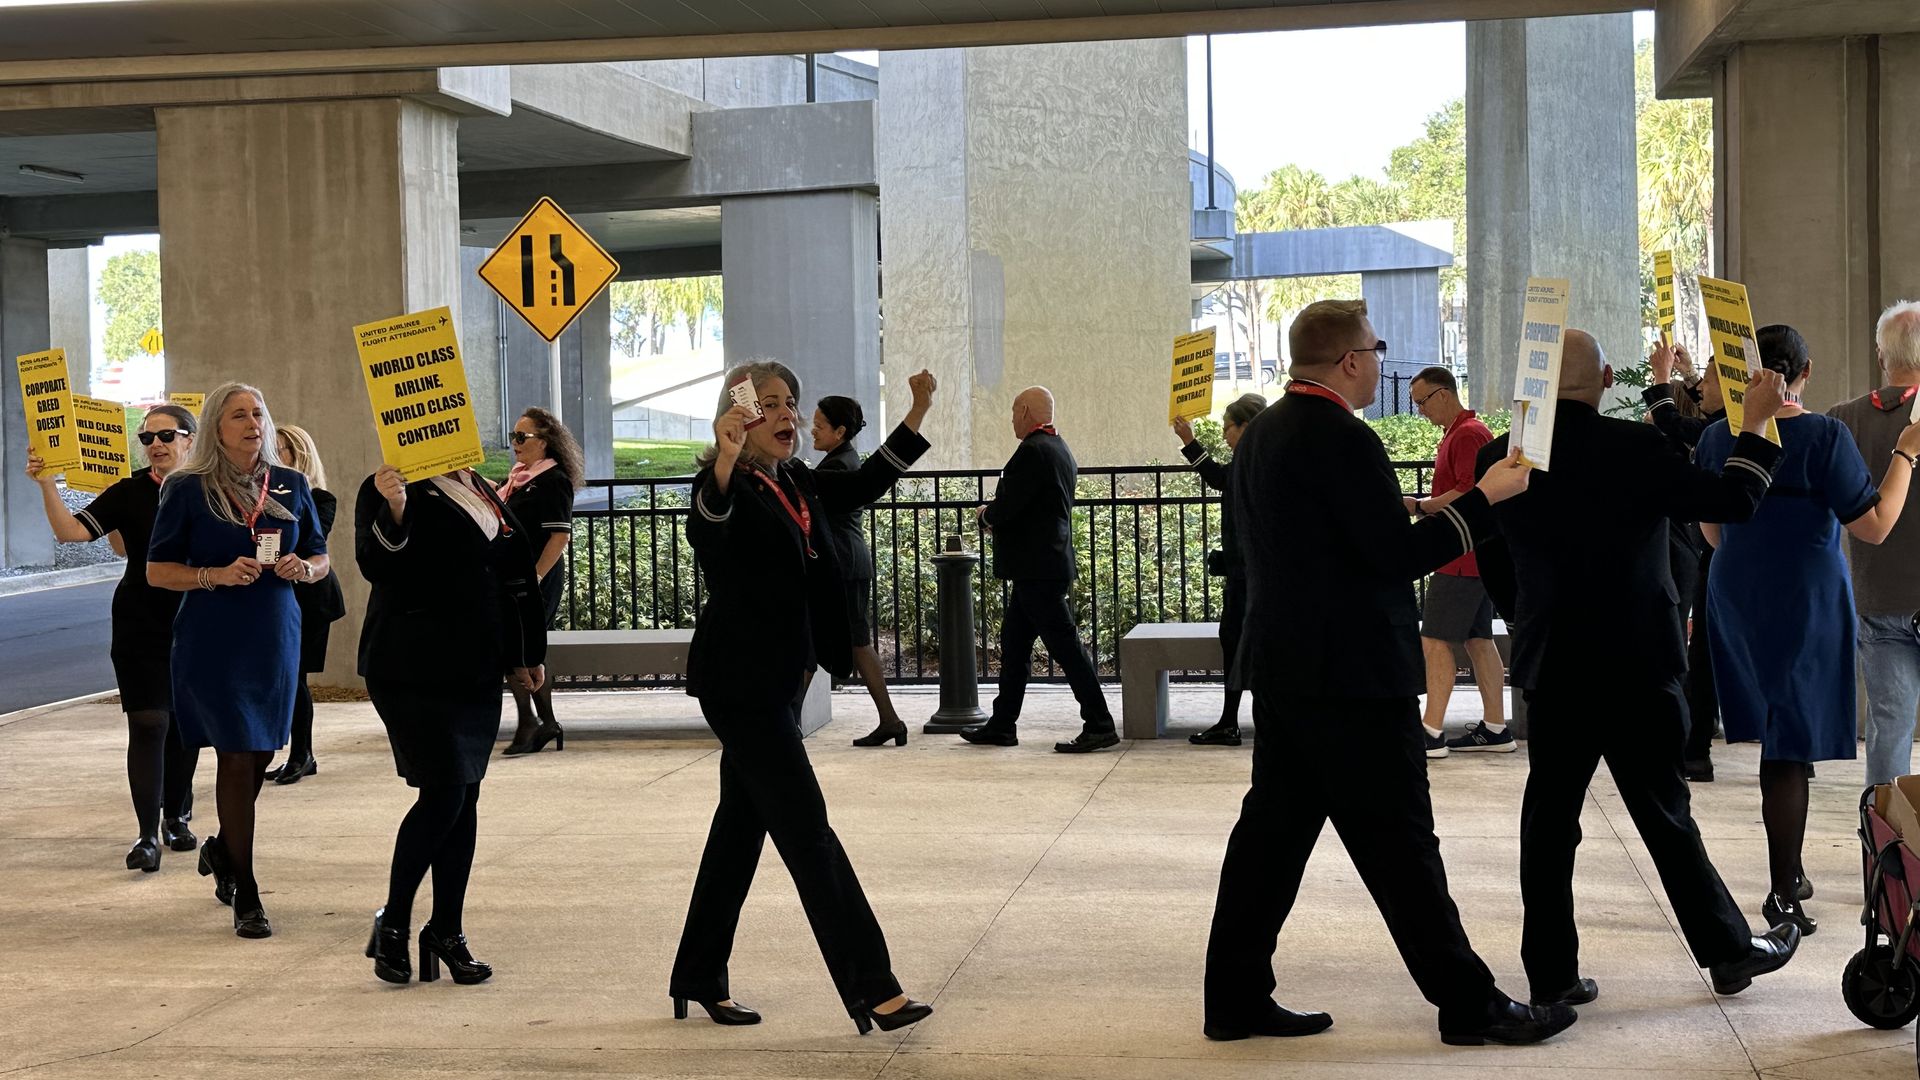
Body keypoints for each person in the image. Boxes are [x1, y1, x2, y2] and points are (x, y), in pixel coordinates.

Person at [1202, 299, 1571, 1048]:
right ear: (1348, 361)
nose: (1380, 361)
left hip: (1284, 668)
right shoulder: (1343, 436)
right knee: (1402, 844)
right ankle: (1470, 1004)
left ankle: (1234, 995)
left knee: (1268, 845)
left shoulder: (1266, 431)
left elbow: (1327, 533)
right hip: (1350, 679)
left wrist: (1417, 503)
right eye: (1374, 349)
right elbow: (1392, 558)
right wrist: (1484, 499)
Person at [1472, 329, 1802, 1007]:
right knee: (1664, 813)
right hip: (1637, 661)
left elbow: (1493, 562)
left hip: (1554, 661)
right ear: (1598, 382)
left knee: (1550, 822)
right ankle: (1728, 951)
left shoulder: (1499, 456)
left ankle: (1552, 975)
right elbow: (1731, 501)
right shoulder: (1634, 448)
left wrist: (1530, 617)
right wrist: (1761, 424)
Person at [670, 361, 938, 1035]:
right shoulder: (725, 482)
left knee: (739, 831)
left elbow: (867, 481)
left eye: (790, 402)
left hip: (782, 679)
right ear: (740, 417)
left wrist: (917, 413)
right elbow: (708, 525)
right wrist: (727, 461)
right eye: (769, 404)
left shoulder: (793, 478)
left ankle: (698, 974)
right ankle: (874, 988)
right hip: (740, 685)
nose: (787, 414)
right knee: (809, 832)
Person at [1697, 324, 1920, 936]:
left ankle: (1789, 880)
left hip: (1737, 595)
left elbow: (1712, 532)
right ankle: (1782, 893)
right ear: (1806, 370)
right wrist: (1905, 452)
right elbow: (1873, 525)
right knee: (1790, 748)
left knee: (1776, 736)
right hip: (1807, 598)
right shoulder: (1824, 434)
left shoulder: (1720, 435)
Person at [147, 383, 330, 939]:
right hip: (213, 636)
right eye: (238, 416)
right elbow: (158, 571)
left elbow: (322, 556)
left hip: (275, 632)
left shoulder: (292, 483)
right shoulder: (187, 488)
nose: (252, 423)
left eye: (258, 414)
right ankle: (247, 890)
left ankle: (224, 850)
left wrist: (306, 567)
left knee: (258, 753)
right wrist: (216, 575)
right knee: (234, 752)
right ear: (215, 428)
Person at [358, 460, 549, 986]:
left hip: (477, 666)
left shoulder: (480, 487)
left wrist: (526, 651)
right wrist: (396, 511)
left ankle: (446, 930)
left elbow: (512, 575)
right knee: (444, 794)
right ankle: (394, 922)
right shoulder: (389, 487)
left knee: (464, 797)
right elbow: (377, 564)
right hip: (412, 666)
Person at [25, 404, 201, 870]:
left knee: (184, 725)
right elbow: (71, 532)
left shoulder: (209, 490)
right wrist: (48, 484)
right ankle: (147, 835)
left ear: (190, 440)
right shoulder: (127, 492)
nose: (156, 445)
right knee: (149, 722)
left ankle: (177, 816)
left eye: (166, 435)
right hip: (139, 621)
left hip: (198, 620)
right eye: (147, 439)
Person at [958, 386, 1118, 753]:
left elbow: (1011, 505)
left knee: (1066, 647)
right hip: (1044, 564)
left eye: (1015, 410)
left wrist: (987, 515)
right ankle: (1002, 725)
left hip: (1037, 568)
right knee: (1014, 647)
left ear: (1028, 411)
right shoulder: (1059, 448)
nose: (1011, 417)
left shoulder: (1032, 451)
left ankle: (1099, 723)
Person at [1829, 301, 1920, 787]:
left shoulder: (1842, 419)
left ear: (1882, 356)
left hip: (1878, 597)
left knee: (1890, 731)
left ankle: (1886, 856)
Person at [1403, 366, 1508, 756]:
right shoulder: (1464, 432)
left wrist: (1420, 506)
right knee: (1478, 638)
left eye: (1422, 402)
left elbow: (1470, 491)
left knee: (1434, 639)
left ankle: (1430, 732)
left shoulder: (1467, 434)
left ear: (1444, 394)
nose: (1420, 411)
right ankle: (1496, 728)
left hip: (1461, 555)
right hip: (1471, 552)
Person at [1644, 340, 1728, 782]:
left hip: (1719, 552)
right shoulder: (1744, 426)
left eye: (1710, 379)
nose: (1701, 387)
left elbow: (1672, 422)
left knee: (1704, 653)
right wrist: (1693, 372)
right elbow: (1708, 406)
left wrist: (1661, 379)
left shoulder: (1721, 434)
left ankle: (1695, 749)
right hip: (1721, 549)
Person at [810, 395, 910, 747]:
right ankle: (890, 720)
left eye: (819, 426)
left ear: (839, 431)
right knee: (848, 641)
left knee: (843, 641)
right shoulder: (842, 459)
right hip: (847, 562)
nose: (812, 431)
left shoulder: (837, 467)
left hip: (843, 564)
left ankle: (788, 723)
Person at [1171, 392, 1268, 746]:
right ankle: (1234, 720)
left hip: (1248, 574)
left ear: (1245, 427)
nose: (1225, 435)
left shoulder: (1252, 461)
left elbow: (1219, 478)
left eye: (1228, 427)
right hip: (1245, 571)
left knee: (1239, 642)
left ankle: (1232, 722)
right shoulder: (1257, 458)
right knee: (1238, 642)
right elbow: (1220, 478)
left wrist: (1191, 442)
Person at [495, 406, 580, 756]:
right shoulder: (519, 479)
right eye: (513, 436)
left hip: (536, 578)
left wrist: (536, 577)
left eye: (521, 437)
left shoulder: (553, 481)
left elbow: (559, 537)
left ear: (544, 442)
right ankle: (541, 720)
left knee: (522, 648)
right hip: (517, 579)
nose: (515, 444)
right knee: (521, 649)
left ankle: (534, 721)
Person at [263, 424, 344, 785]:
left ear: (299, 455)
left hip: (310, 598)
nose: (273, 457)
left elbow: (313, 543)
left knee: (296, 678)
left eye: (280, 450)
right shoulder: (257, 496)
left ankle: (303, 754)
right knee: (284, 678)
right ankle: (292, 753)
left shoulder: (320, 498)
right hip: (275, 596)